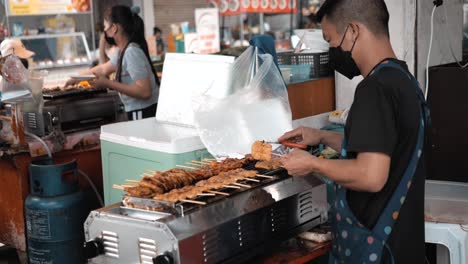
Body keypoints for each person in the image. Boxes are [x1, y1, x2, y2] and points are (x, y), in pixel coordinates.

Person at [278, 0, 428, 263]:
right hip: (405, 247)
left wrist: (313, 164)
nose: (332, 50)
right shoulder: (403, 80)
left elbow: (371, 175)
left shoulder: (374, 89)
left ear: (353, 31)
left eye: (330, 39)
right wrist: (321, 137)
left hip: (378, 251)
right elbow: (381, 148)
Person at [68, 5, 159, 120]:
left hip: (145, 111)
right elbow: (103, 69)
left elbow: (145, 92)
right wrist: (77, 78)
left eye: (105, 26)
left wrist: (108, 83)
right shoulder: (122, 51)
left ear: (114, 28)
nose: (104, 30)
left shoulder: (131, 52)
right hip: (139, 110)